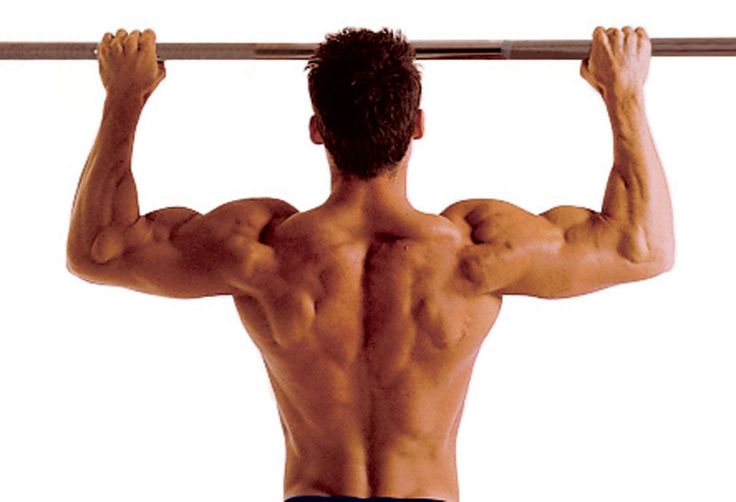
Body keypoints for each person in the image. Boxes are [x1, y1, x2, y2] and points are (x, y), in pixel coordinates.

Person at [66, 25, 674, 502]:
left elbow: (101, 248)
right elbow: (641, 245)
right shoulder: (472, 254)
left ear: (316, 130)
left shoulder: (264, 250)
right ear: (417, 126)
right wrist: (623, 94)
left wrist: (124, 97)